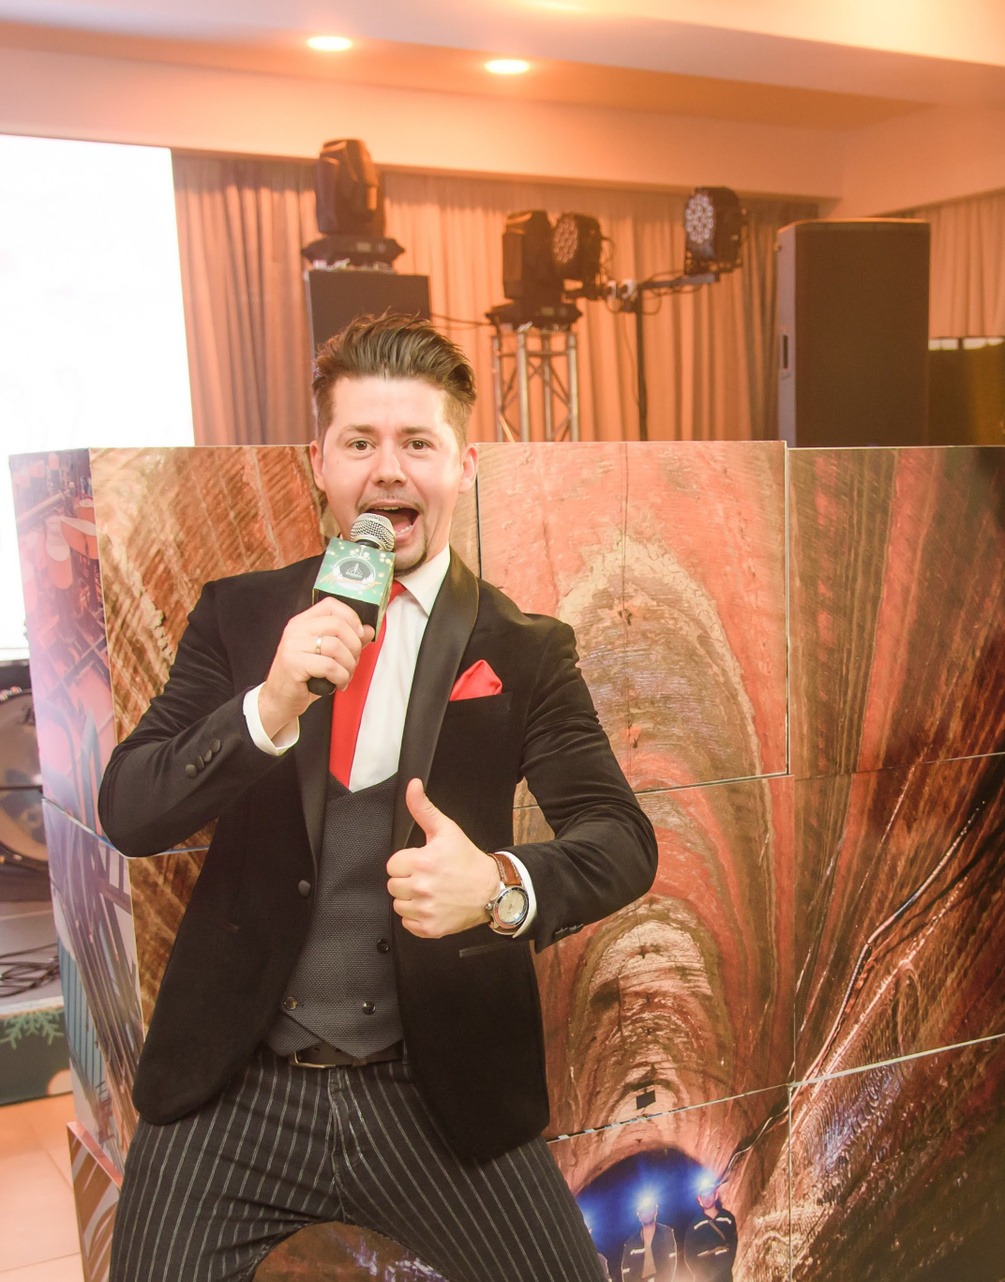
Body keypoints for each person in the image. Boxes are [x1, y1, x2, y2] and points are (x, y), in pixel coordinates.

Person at [97, 315, 658, 1282]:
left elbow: (621, 839)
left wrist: (498, 887)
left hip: (438, 1092)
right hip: (235, 1089)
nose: (388, 470)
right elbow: (129, 809)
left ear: (463, 466)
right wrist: (268, 707)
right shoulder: (238, 616)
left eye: (417, 444)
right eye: (360, 443)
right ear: (319, 462)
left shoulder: (524, 649)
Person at [681, 1182, 738, 1281]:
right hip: (705, 1275)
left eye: (709, 1194)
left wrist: (728, 1262)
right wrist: (700, 1273)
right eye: (704, 1196)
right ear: (699, 1199)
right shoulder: (695, 1226)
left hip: (724, 1274)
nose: (707, 1199)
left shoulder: (727, 1218)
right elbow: (689, 1253)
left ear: (715, 1195)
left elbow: (733, 1241)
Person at [620, 1195, 679, 1281]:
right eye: (643, 1212)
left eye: (649, 1210)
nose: (647, 1214)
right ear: (639, 1215)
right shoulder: (631, 1242)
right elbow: (626, 1269)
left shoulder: (666, 1232)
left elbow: (672, 1259)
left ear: (655, 1211)